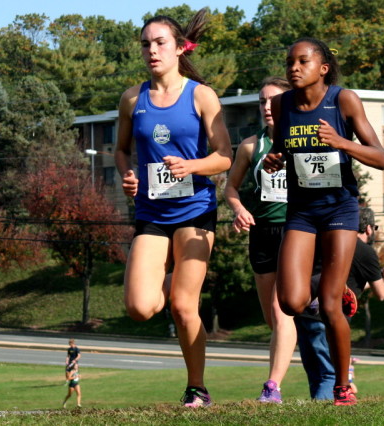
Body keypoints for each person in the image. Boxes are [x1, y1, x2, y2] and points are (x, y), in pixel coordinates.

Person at [114, 8, 232, 408]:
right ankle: (169, 281)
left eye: (161, 42)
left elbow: (225, 156)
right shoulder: (133, 99)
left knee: (184, 307)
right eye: (146, 43)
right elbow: (120, 150)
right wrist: (127, 175)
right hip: (151, 214)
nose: (152, 50)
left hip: (195, 211)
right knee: (139, 308)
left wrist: (191, 166)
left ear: (180, 48)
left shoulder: (201, 95)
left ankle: (196, 387)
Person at [263, 38, 384, 406]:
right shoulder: (281, 104)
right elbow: (282, 149)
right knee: (290, 301)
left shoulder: (343, 100)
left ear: (323, 68)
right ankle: (332, 288)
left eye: (303, 61)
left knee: (331, 305)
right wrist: (275, 159)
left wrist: (342, 143)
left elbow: (380, 158)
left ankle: (342, 387)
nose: (293, 68)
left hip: (339, 210)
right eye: (289, 62)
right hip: (301, 211)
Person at [224, 76, 296, 404]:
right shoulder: (251, 146)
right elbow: (231, 188)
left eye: (274, 101)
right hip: (261, 233)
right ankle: (301, 329)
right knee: (272, 318)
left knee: (282, 313)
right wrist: (238, 209)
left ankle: (272, 387)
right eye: (262, 101)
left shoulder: (301, 141)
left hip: (295, 231)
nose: (268, 107)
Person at [295, 207, 384, 400]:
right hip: (328, 318)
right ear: (369, 228)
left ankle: (317, 410)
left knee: (316, 373)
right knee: (330, 374)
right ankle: (324, 418)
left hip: (304, 313)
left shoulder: (328, 241)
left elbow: (344, 283)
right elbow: (381, 293)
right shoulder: (365, 251)